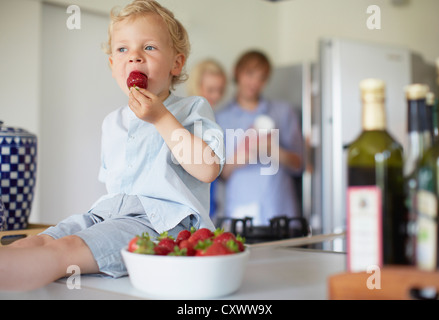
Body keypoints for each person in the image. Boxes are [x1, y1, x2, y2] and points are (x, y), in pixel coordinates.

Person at [0, 0, 224, 291]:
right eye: (123, 50)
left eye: (149, 48)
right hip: (107, 213)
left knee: (67, 248)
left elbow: (208, 169)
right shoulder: (112, 122)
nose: (134, 57)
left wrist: (161, 119)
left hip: (161, 224)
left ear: (176, 63)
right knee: (41, 239)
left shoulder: (192, 108)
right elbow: (116, 191)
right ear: (112, 65)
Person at [215, 50, 303, 226]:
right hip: (239, 217)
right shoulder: (220, 118)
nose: (255, 82)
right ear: (237, 72)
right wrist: (240, 158)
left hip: (280, 214)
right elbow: (217, 175)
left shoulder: (283, 112)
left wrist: (272, 150)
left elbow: (300, 165)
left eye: (262, 78)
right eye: (250, 74)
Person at [187, 59, 227, 219]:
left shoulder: (216, 120)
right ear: (196, 86)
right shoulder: (183, 120)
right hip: (189, 206)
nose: (216, 96)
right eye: (211, 90)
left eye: (220, 90)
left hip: (210, 206)